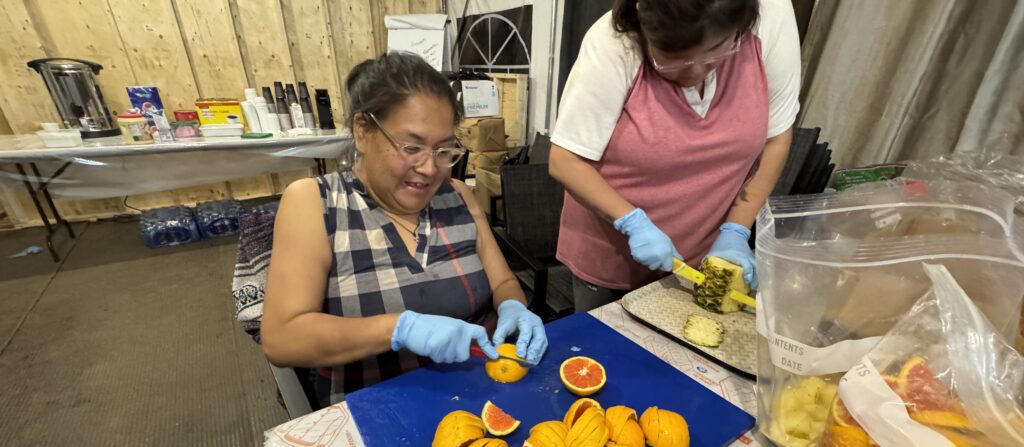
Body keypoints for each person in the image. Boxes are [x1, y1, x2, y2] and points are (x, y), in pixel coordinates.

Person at [260, 53, 547, 407]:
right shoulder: (316, 203)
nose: (429, 169)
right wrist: (400, 329)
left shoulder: (457, 196)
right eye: (411, 147)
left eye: (444, 150)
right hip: (378, 408)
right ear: (363, 130)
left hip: (483, 392)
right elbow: (283, 338)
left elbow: (503, 283)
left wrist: (513, 308)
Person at [549, 0, 801, 310]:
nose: (694, 73)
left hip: (699, 258)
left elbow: (776, 137)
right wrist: (632, 222)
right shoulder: (613, 43)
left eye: (714, 55)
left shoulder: (771, 17)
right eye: (672, 61)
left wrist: (737, 228)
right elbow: (565, 160)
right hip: (609, 256)